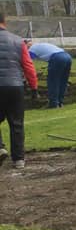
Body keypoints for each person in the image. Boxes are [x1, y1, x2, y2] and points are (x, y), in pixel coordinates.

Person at [0, 11, 39, 170]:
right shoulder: (18, 41)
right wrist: (34, 87)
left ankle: (0, 148)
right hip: (15, 85)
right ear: (5, 21)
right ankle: (19, 160)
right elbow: (28, 66)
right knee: (17, 123)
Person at [27, 40, 73, 108]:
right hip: (67, 56)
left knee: (53, 81)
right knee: (63, 81)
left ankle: (53, 104)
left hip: (57, 58)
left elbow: (28, 62)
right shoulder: (40, 44)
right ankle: (60, 102)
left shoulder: (31, 49)